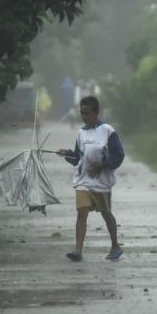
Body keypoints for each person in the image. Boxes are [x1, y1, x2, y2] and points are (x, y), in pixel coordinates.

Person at [53, 96, 125, 261]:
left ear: (96, 112)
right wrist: (66, 154)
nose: (83, 117)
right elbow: (78, 158)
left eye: (86, 113)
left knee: (106, 213)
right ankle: (78, 251)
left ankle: (115, 245)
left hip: (101, 182)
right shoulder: (81, 133)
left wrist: (103, 164)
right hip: (83, 180)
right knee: (81, 213)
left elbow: (119, 154)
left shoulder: (107, 130)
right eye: (81, 113)